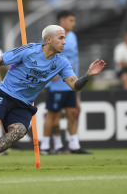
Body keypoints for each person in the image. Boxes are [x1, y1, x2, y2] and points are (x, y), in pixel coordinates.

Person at [0, 25, 106, 171]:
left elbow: (75, 86)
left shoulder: (62, 62)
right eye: (61, 38)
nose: (65, 42)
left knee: (18, 132)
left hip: (24, 104)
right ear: (48, 40)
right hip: (5, 93)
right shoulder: (29, 50)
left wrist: (89, 74)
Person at [40, 10, 90, 155]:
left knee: (73, 112)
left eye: (74, 20)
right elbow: (42, 53)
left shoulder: (73, 36)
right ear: (61, 21)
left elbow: (75, 60)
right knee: (53, 115)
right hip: (56, 84)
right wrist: (49, 71)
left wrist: (78, 79)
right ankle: (44, 146)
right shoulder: (51, 35)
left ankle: (74, 145)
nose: (73, 23)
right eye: (70, 20)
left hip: (70, 83)